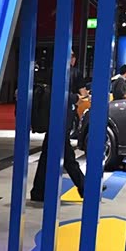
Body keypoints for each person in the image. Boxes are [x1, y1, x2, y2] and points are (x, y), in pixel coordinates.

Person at [30, 51, 86, 201]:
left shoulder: (52, 71)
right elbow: (82, 94)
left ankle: (38, 191)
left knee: (48, 156)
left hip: (52, 117)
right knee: (67, 155)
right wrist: (76, 98)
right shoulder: (74, 73)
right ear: (72, 59)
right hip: (63, 118)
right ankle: (84, 186)